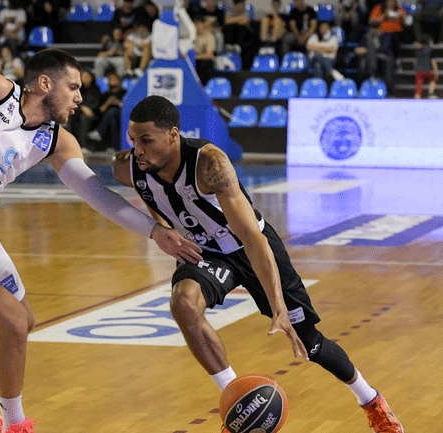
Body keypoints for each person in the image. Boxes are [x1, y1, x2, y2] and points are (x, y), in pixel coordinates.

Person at [0, 48, 200, 433]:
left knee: (22, 320)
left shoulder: (55, 139)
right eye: (72, 87)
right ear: (45, 83)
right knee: (9, 323)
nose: (79, 97)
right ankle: (17, 425)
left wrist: (155, 231)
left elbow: (96, 194)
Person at [113, 95, 405, 433]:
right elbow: (128, 191)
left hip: (250, 247)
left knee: (309, 342)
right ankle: (236, 401)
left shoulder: (209, 165)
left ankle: (371, 400)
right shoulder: (130, 167)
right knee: (183, 304)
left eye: (146, 140)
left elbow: (253, 240)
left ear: (174, 134)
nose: (138, 150)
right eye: (133, 140)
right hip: (207, 253)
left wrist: (279, 307)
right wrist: (160, 228)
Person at [86, 71, 126, 152]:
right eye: (110, 79)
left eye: (114, 79)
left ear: (119, 81)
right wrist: (108, 102)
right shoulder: (105, 94)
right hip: (106, 118)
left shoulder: (124, 93)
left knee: (113, 111)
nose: (112, 81)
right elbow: (101, 110)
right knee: (112, 119)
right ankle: (113, 147)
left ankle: (99, 132)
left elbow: (126, 107)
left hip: (121, 115)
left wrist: (117, 102)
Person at [65, 69, 102, 151]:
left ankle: (84, 145)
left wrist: (88, 109)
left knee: (85, 118)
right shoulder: (77, 89)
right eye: (83, 76)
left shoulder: (96, 89)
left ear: (91, 78)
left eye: (87, 76)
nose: (85, 78)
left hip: (93, 114)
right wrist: (83, 108)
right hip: (79, 112)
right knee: (72, 114)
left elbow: (97, 104)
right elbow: (73, 101)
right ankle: (70, 144)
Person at [414, 33, 439, 98]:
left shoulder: (417, 50)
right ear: (429, 41)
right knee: (433, 78)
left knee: (418, 87)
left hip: (419, 71)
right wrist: (436, 71)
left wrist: (416, 68)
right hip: (429, 70)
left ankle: (417, 98)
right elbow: (433, 61)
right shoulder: (430, 50)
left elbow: (415, 61)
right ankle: (431, 92)